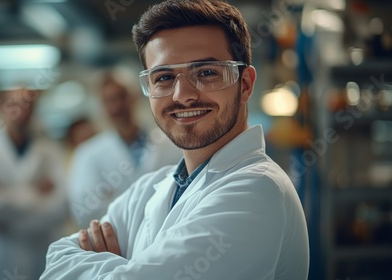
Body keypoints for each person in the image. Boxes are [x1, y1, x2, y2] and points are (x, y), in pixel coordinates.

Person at [40, 0, 309, 279]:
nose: (182, 95)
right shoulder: (149, 189)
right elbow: (55, 262)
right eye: (164, 77)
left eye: (206, 73)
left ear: (245, 85)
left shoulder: (257, 188)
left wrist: (115, 266)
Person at [0, 88, 68, 280]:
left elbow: (60, 208)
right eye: (13, 104)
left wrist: (3, 193)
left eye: (28, 105)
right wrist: (35, 192)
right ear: (0, 108)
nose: (21, 111)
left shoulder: (51, 153)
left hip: (36, 263)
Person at [68, 73, 182, 227]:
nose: (116, 107)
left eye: (121, 97)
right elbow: (85, 209)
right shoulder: (87, 154)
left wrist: (114, 197)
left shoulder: (169, 143)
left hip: (166, 232)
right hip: (116, 244)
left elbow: (183, 193)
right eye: (108, 101)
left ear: (134, 97)